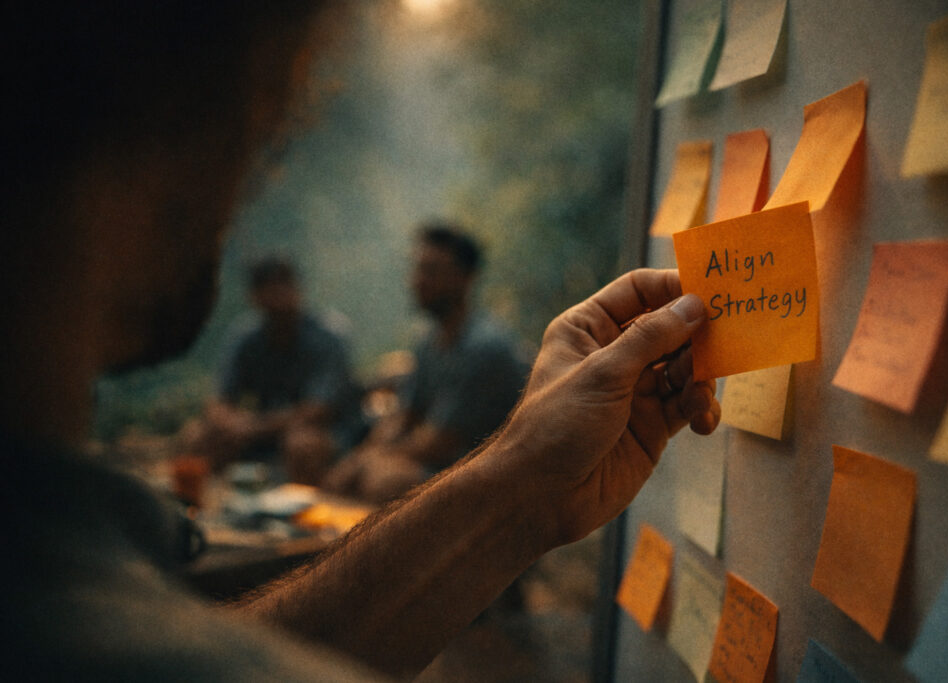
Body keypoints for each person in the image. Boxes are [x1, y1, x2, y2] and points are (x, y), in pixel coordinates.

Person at [0, 4, 721, 681]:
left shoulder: (473, 345)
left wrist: (527, 485)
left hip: (440, 468)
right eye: (277, 126)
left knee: (356, 468)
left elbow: (417, 435)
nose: (262, 163)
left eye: (429, 269)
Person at [323, 223, 530, 503]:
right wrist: (358, 458)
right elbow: (405, 415)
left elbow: (441, 442)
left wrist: (370, 460)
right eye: (417, 269)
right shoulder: (428, 341)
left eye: (431, 271)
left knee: (387, 480)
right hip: (448, 467)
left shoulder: (485, 347)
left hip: (493, 478)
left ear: (465, 278)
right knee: (349, 473)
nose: (417, 281)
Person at [182, 255, 365, 485]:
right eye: (270, 291)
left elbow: (317, 411)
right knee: (198, 436)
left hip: (329, 432)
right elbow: (219, 400)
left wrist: (252, 427)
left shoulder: (328, 336)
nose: (279, 300)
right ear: (255, 297)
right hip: (265, 432)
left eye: (283, 288)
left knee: (302, 444)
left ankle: (309, 502)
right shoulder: (246, 337)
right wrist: (231, 423)